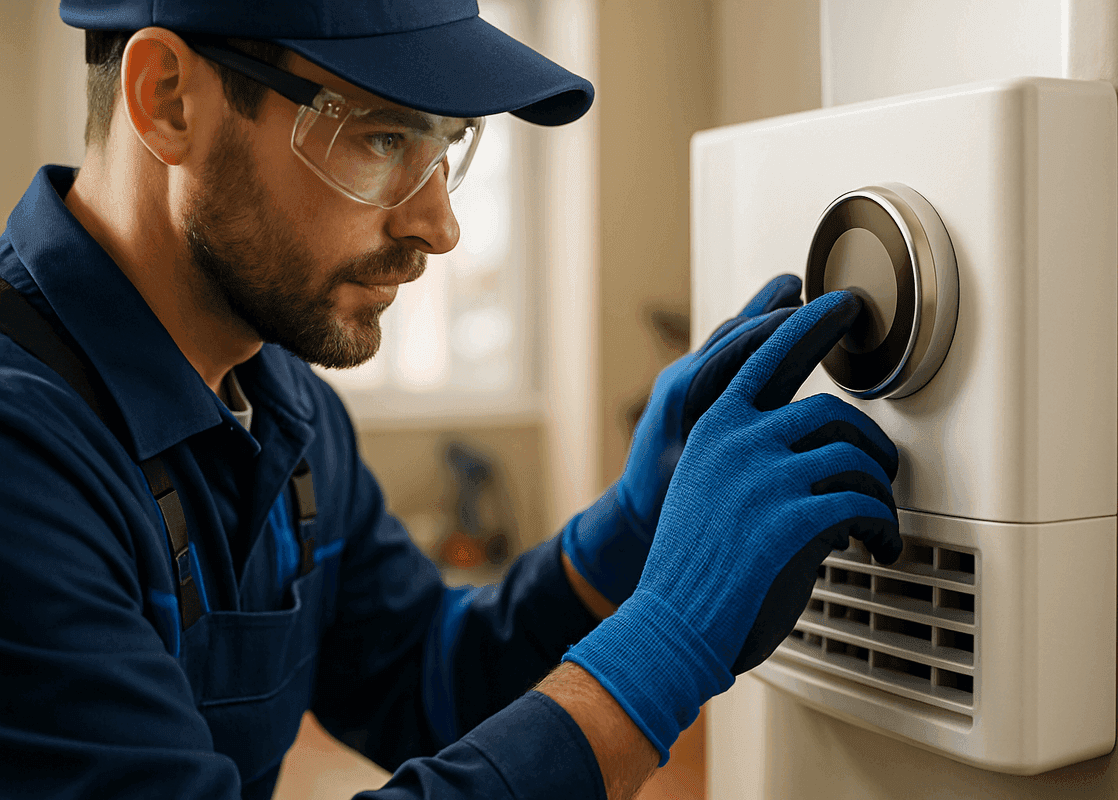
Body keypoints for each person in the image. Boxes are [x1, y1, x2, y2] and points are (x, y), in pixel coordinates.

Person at [0, 1, 903, 798]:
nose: (439, 227)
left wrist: (631, 532)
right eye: (382, 138)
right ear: (168, 99)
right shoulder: (23, 455)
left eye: (446, 147)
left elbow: (422, 679)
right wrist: (661, 652)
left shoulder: (286, 407)